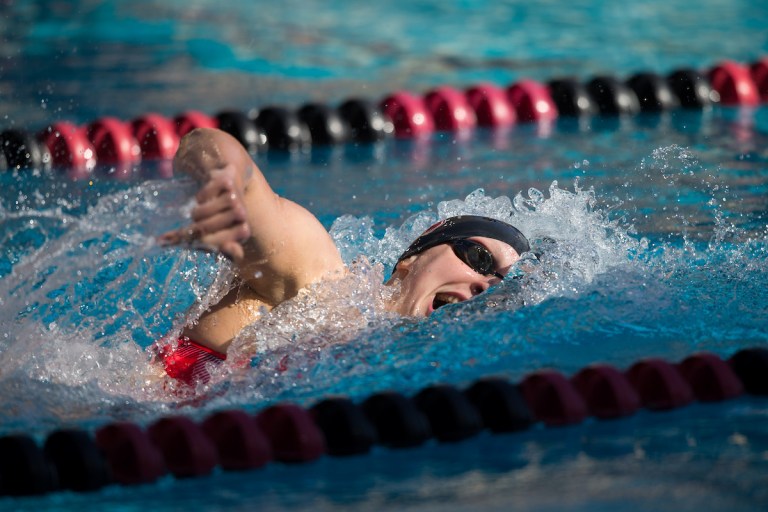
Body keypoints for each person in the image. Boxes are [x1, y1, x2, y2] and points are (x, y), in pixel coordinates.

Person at [156, 127, 530, 385]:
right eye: (480, 258)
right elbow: (212, 146)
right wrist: (225, 181)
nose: (484, 285)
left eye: (498, 288)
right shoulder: (317, 283)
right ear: (413, 256)